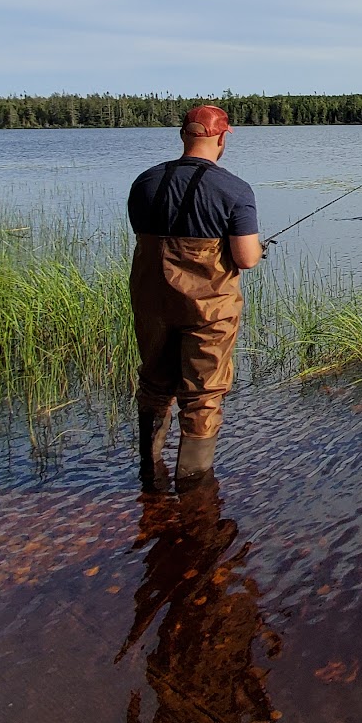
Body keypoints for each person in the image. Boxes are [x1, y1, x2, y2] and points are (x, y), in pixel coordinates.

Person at [127, 104, 263, 489]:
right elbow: (246, 258)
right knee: (203, 397)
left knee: (154, 385)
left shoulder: (144, 182)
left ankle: (150, 473)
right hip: (209, 310)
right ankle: (193, 487)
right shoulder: (235, 189)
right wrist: (261, 248)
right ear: (221, 139)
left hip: (152, 303)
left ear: (183, 135)